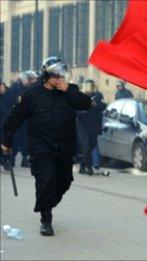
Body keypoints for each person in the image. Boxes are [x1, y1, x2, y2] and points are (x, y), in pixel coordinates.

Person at [1, 57, 91, 236]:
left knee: (64, 182)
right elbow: (15, 117)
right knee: (46, 180)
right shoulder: (32, 94)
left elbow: (85, 104)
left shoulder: (69, 91)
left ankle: (48, 202)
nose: (60, 79)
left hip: (64, 147)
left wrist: (69, 91)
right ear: (47, 75)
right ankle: (46, 219)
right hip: (41, 147)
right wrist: (6, 141)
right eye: (56, 76)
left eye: (62, 75)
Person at [2, 71, 34, 168]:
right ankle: (10, 160)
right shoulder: (16, 89)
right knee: (15, 141)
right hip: (18, 119)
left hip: (22, 120)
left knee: (23, 141)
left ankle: (21, 160)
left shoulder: (25, 89)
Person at [77, 79, 107, 175]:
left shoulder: (98, 95)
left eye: (91, 86)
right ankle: (89, 167)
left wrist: (95, 105)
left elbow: (104, 105)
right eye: (87, 86)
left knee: (91, 146)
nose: (89, 88)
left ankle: (82, 166)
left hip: (94, 126)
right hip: (83, 125)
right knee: (85, 146)